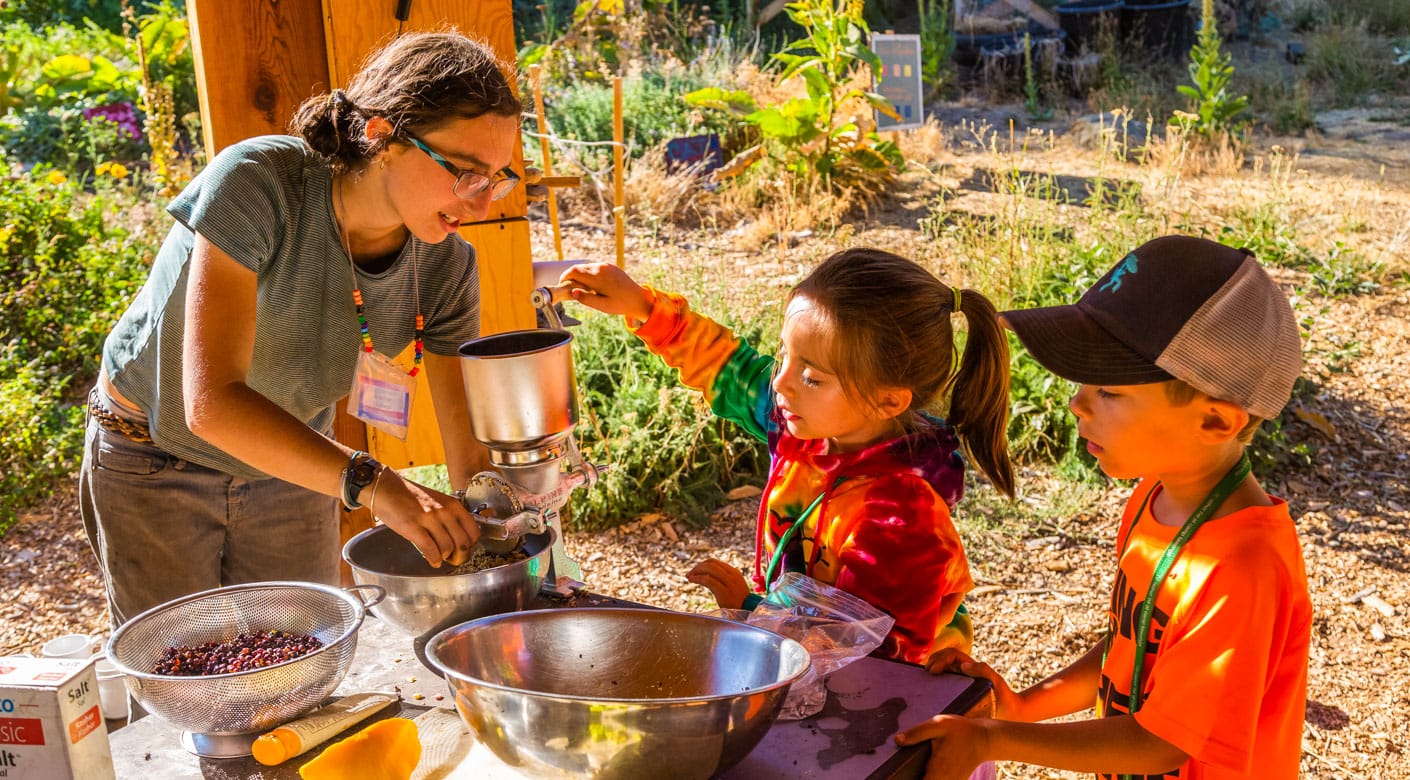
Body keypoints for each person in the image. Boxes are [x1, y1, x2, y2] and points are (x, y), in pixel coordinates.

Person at [79, 32, 522, 626]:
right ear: (381, 135)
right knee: (188, 684)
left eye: (497, 177)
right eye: (464, 171)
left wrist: (498, 532)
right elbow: (210, 407)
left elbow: (466, 450)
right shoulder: (259, 182)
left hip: (293, 466)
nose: (482, 201)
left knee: (297, 671)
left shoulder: (447, 262)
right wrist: (377, 484)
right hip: (153, 457)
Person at [897, 235, 1312, 779]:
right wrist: (1024, 705)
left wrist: (994, 738)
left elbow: (1161, 743)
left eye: (1111, 392)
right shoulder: (1155, 498)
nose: (1077, 402)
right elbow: (1131, 648)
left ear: (1216, 421)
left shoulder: (1241, 569)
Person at [560, 249, 1016, 664]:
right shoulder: (811, 427)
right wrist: (642, 306)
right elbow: (729, 369)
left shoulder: (900, 515)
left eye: (812, 376)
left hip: (894, 711)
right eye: (785, 357)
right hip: (802, 654)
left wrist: (750, 608)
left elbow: (876, 651)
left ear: (889, 400)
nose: (781, 383)